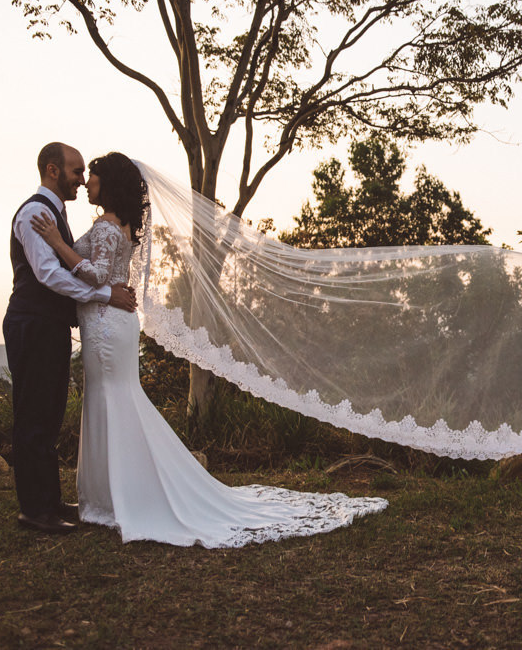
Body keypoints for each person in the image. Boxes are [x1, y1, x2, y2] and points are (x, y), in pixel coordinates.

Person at [31, 152, 386, 547]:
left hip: (104, 325)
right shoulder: (121, 225)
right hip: (113, 324)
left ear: (107, 183)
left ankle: (116, 497)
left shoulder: (105, 228)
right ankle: (113, 495)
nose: (86, 182)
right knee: (115, 399)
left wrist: (57, 243)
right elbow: (106, 274)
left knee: (111, 400)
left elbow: (96, 274)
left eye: (92, 176)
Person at [3, 142, 138, 535]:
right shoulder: (34, 213)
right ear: (52, 171)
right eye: (77, 171)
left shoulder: (59, 217)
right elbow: (48, 273)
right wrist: (103, 294)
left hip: (52, 325)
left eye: (86, 174)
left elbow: (82, 263)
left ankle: (48, 500)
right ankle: (34, 509)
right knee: (32, 415)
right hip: (31, 322)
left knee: (47, 414)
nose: (82, 179)